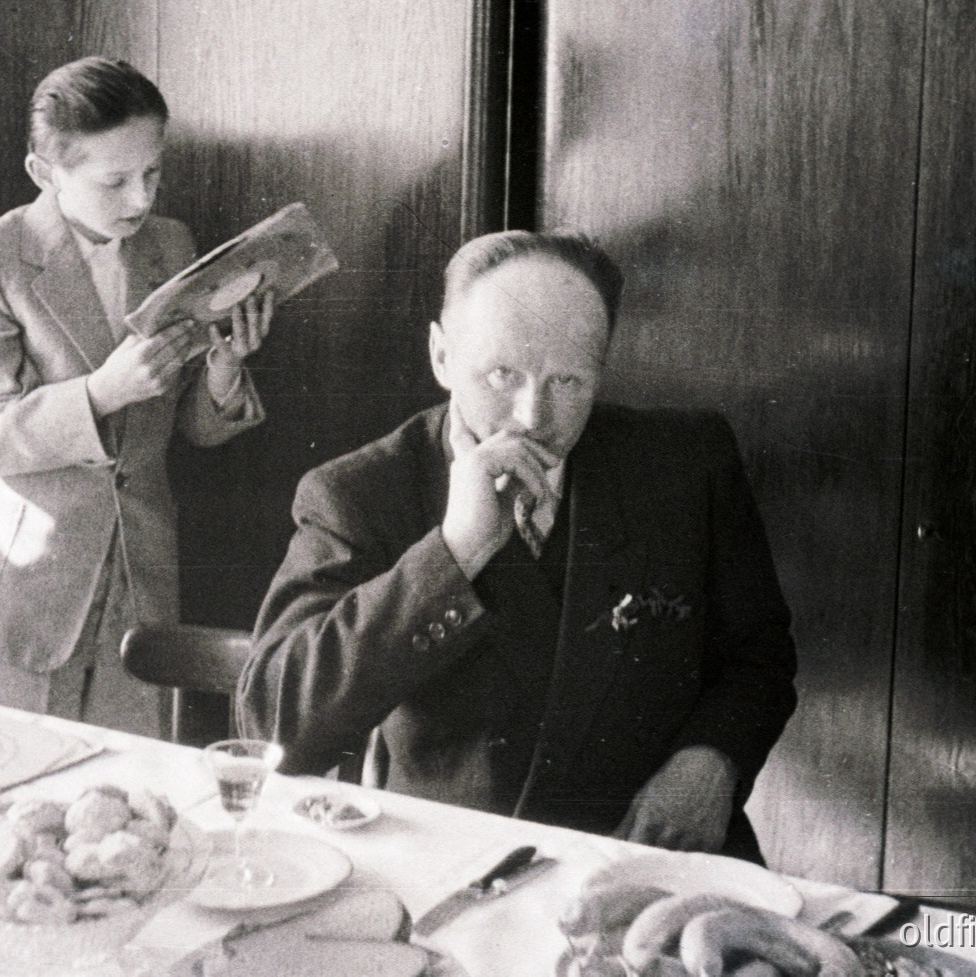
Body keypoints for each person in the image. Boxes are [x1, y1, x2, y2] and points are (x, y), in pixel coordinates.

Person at [237, 231, 795, 859]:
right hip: (456, 866)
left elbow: (760, 658)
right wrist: (454, 553)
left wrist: (713, 760)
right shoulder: (360, 493)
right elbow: (273, 726)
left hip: (655, 856)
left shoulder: (686, 464)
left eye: (569, 380)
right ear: (441, 355)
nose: (533, 416)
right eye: (503, 374)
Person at [0, 56, 275, 734]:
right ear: (44, 172)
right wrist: (99, 393)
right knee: (14, 775)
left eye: (152, 173)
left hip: (139, 585)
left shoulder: (171, 246)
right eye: (114, 181)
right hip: (25, 593)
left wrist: (224, 367)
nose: (140, 200)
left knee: (134, 778)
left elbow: (190, 425)